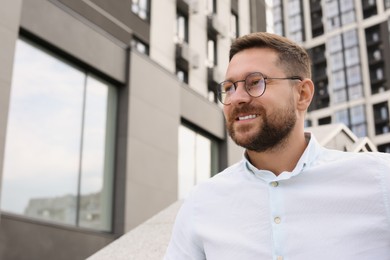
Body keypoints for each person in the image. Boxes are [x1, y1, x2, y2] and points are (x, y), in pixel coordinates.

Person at [164, 32, 390, 260]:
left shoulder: (380, 178)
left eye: (255, 83)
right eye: (230, 87)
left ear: (302, 94)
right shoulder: (201, 204)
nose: (237, 98)